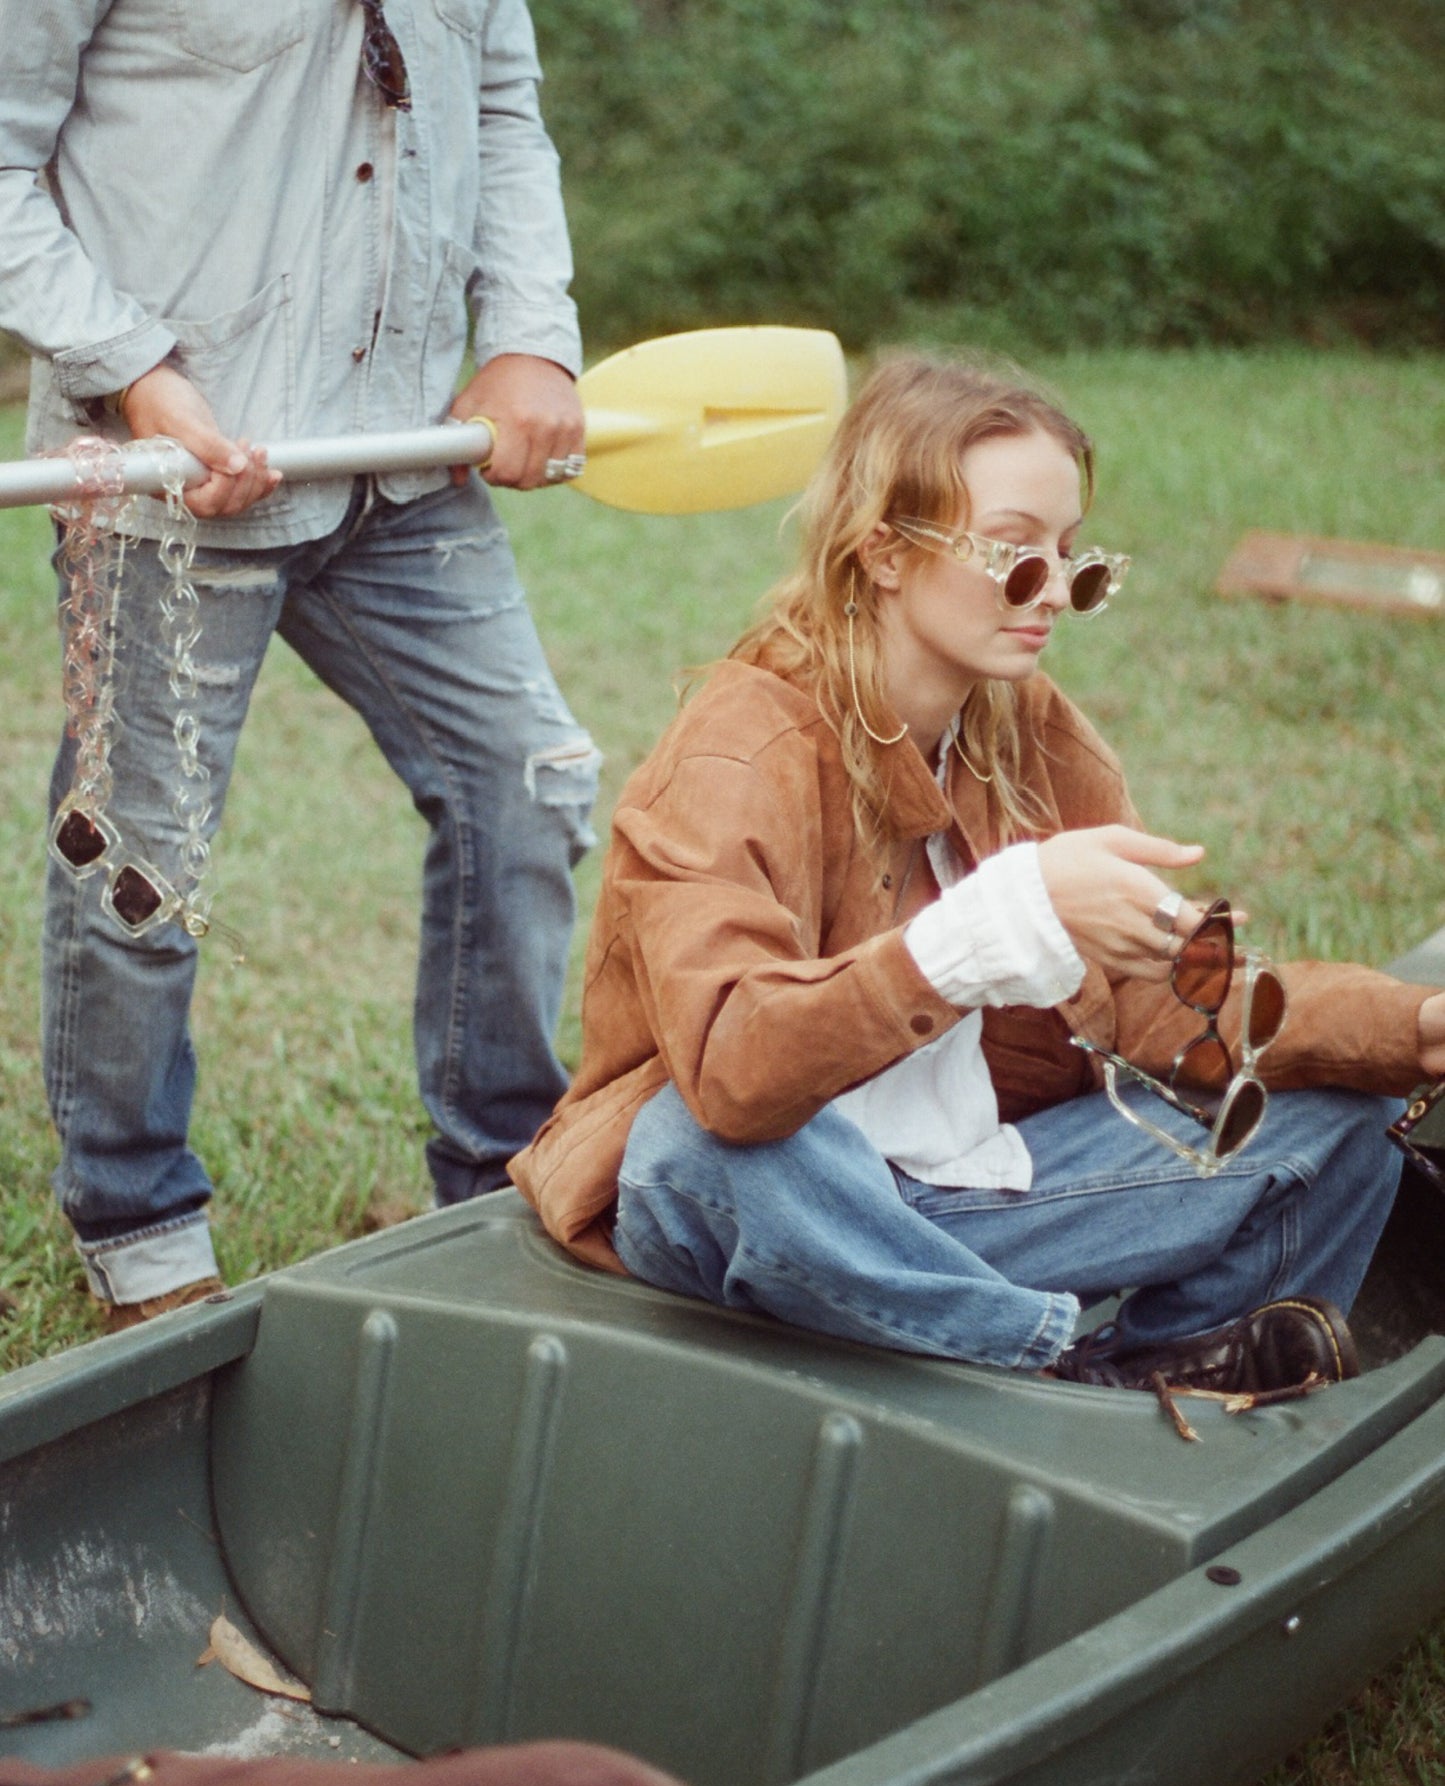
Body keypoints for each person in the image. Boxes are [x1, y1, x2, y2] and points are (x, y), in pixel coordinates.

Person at [509, 353, 1445, 1391]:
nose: (1053, 595)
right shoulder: (737, 750)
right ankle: (1061, 1373)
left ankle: (1149, 1367)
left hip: (974, 1194)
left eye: (1073, 557)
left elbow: (1158, 999)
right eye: (1012, 555)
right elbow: (733, 1077)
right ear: (883, 552)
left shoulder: (1030, 728)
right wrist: (995, 925)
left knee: (1344, 1114)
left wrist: (1405, 1028)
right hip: (804, 1205)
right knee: (689, 1151)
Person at [0, 0, 599, 1326]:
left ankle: (501, 1177)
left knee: (531, 784)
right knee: (140, 861)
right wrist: (138, 370)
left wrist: (531, 334)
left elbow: (501, 112)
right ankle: (140, 1216)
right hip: (162, 471)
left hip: (400, 458)